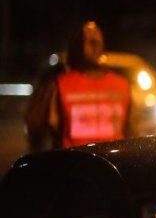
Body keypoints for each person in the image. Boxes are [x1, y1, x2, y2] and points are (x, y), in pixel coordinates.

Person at [25, 21, 135, 152]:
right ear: (75, 47)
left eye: (96, 41)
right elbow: (37, 130)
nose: (94, 44)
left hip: (110, 162)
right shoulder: (58, 85)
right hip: (74, 162)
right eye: (88, 40)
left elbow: (132, 131)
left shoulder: (121, 85)